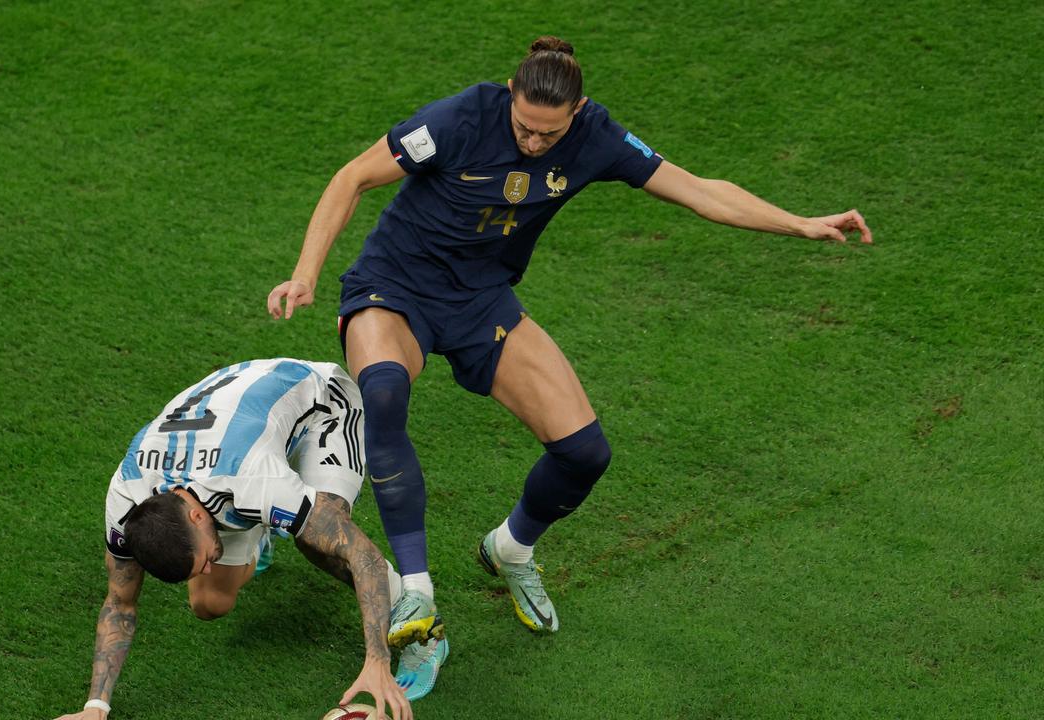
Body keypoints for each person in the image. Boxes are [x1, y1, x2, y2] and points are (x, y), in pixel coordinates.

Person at [266, 36, 872, 699]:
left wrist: (800, 223)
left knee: (585, 452)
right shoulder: (461, 118)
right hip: (394, 288)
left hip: (480, 302)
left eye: (547, 132)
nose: (531, 140)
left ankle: (511, 549)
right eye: (524, 125)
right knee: (382, 396)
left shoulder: (595, 136)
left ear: (576, 112)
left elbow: (699, 190)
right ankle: (416, 593)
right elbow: (353, 176)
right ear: (510, 94)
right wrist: (305, 273)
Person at [52, 358, 440, 720]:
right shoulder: (127, 493)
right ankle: (266, 525)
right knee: (209, 603)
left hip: (322, 404)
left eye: (203, 559)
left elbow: (363, 556)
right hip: (233, 450)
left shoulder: (252, 478)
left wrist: (377, 658)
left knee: (318, 541)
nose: (208, 566)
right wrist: (96, 706)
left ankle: (423, 630)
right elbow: (120, 603)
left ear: (195, 515)